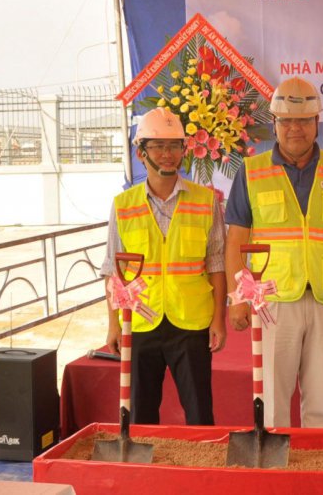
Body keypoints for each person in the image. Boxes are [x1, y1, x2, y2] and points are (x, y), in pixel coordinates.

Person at [225, 76, 323, 428]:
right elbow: (236, 240)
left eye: (303, 120)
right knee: (272, 397)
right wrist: (237, 298)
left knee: (321, 400)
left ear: (317, 122)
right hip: (272, 303)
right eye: (286, 121)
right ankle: (275, 459)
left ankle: (318, 459)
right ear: (275, 123)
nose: (294, 129)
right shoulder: (251, 172)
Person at [101, 106, 227, 425]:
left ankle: (202, 459)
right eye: (158, 146)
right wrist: (114, 324)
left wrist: (219, 320)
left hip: (191, 322)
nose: (167, 154)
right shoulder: (123, 205)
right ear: (141, 153)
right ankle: (145, 460)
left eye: (174, 146)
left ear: (184, 150)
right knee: (140, 414)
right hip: (140, 321)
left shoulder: (205, 201)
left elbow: (217, 264)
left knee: (200, 413)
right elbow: (113, 270)